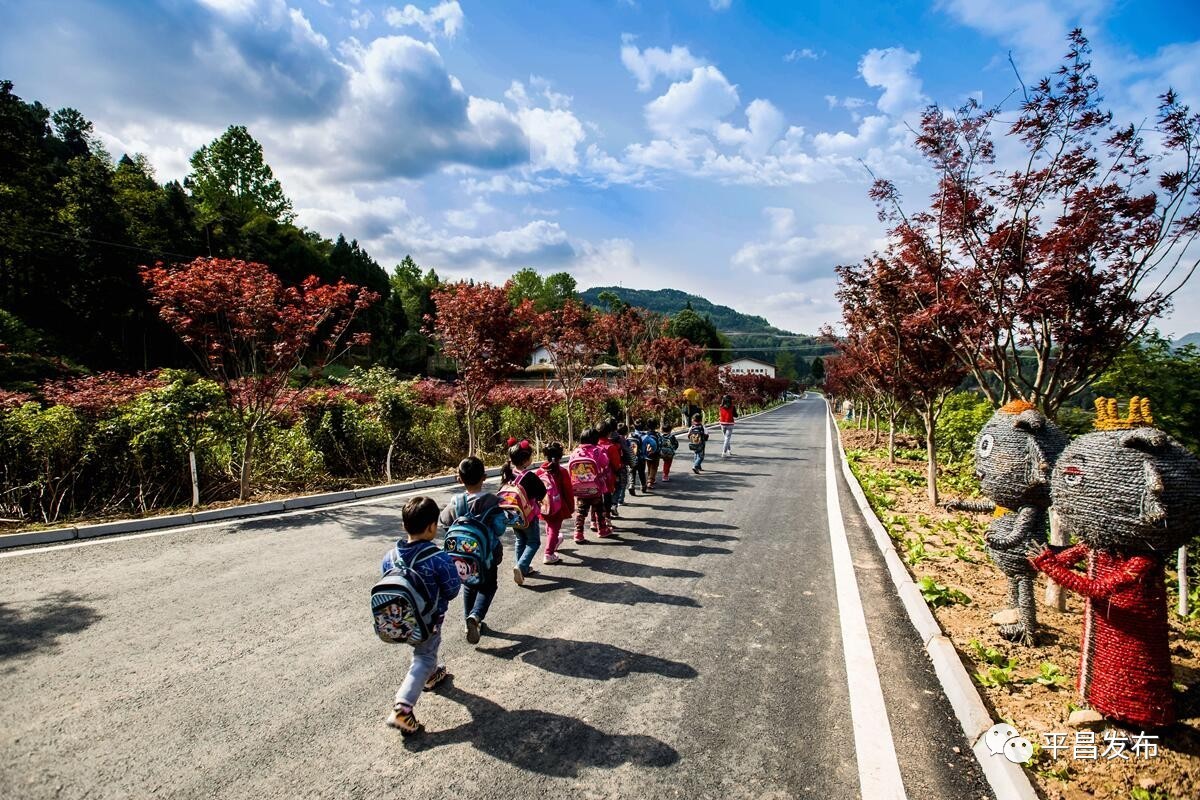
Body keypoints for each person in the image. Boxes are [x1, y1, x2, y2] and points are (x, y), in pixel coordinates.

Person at [386, 496, 461, 735]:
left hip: (398, 619)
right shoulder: (438, 558)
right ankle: (403, 709)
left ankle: (431, 676)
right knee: (424, 657)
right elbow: (452, 590)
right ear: (432, 527)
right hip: (429, 620)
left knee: (424, 652)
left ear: (404, 526)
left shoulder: (390, 556)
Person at [439, 456, 506, 644]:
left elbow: (445, 522)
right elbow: (500, 529)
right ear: (484, 477)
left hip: (461, 559)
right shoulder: (491, 502)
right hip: (487, 555)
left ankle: (468, 618)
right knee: (488, 586)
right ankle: (475, 617)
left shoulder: (455, 503)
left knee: (469, 585)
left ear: (459, 478)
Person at [501, 439, 548, 585]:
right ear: (526, 460)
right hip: (528, 516)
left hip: (513, 516)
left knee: (520, 540)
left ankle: (522, 567)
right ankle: (521, 567)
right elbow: (542, 492)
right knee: (533, 542)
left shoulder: (509, 473)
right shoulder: (530, 476)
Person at [572, 428, 612, 541]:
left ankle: (578, 534)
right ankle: (602, 530)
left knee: (581, 511)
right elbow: (605, 463)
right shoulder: (597, 451)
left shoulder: (575, 452)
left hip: (579, 488)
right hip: (595, 487)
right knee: (599, 509)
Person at [539, 442, 574, 565]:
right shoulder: (561, 472)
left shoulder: (540, 471)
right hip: (558, 505)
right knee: (555, 527)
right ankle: (549, 553)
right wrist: (570, 506)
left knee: (549, 524)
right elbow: (568, 491)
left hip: (543, 505)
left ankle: (554, 541)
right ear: (560, 456)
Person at [601, 419, 623, 521]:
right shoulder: (612, 447)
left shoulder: (594, 446)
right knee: (607, 498)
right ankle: (607, 521)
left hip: (594, 479)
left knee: (596, 501)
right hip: (608, 478)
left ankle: (594, 522)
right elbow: (616, 465)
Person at [613, 422, 634, 509]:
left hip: (611, 465)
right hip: (621, 465)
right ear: (626, 432)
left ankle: (614, 501)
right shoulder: (624, 441)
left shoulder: (611, 439)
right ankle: (620, 500)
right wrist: (632, 463)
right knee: (622, 483)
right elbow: (628, 452)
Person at [642, 420, 663, 491]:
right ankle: (650, 481)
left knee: (649, 466)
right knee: (654, 467)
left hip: (647, 454)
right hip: (655, 454)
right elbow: (660, 443)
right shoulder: (657, 435)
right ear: (656, 426)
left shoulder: (645, 435)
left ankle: (649, 478)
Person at [629, 419, 647, 496]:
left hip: (632, 458)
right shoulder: (644, 436)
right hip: (641, 458)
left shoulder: (630, 435)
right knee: (641, 473)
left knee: (632, 472)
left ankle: (631, 485)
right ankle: (643, 486)